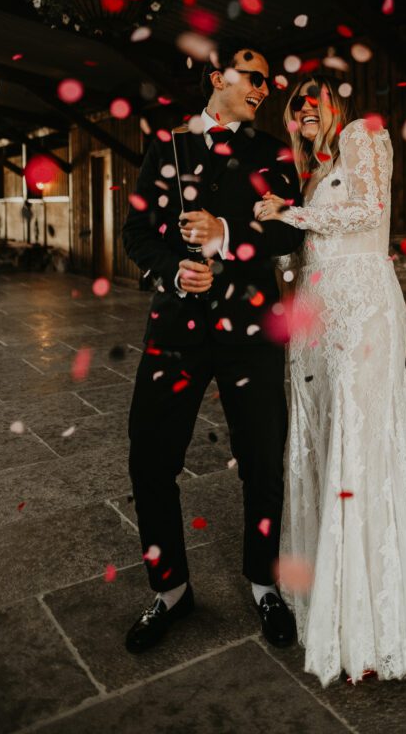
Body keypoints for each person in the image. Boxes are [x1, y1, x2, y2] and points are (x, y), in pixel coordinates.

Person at [254, 75, 406, 688]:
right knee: (322, 439)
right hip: (319, 313)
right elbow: (316, 239)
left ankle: (372, 609)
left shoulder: (364, 136)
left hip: (362, 310)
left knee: (360, 440)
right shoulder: (316, 168)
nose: (302, 114)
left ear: (333, 104)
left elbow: (369, 211)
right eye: (295, 110)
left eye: (309, 103)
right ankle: (328, 580)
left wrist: (290, 212)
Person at [122, 41, 304, 654]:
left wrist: (226, 235)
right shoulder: (165, 147)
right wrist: (174, 272)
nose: (264, 87)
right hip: (175, 331)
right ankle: (169, 591)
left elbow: (288, 227)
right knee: (149, 459)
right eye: (253, 74)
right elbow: (137, 232)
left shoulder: (274, 151)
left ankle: (264, 584)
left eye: (268, 81)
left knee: (262, 461)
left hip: (251, 333)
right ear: (217, 75)